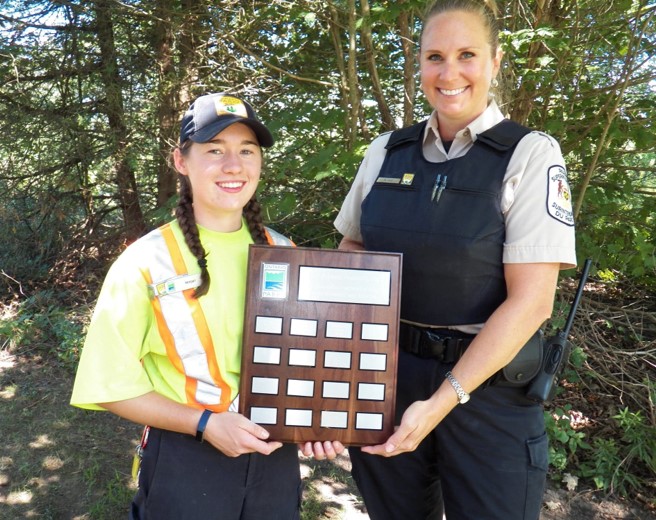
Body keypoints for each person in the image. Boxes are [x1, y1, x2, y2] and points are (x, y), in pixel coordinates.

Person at [334, 1, 577, 519]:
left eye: (467, 55)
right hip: (387, 382)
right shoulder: (385, 151)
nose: (449, 73)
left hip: (487, 394)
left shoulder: (530, 155)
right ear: (418, 64)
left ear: (494, 61)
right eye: (434, 56)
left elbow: (532, 303)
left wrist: (443, 400)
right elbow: (351, 252)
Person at [71, 92, 341, 519]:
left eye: (246, 151)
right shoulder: (147, 260)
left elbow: (308, 362)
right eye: (215, 150)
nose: (233, 165)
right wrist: (205, 423)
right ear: (182, 161)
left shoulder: (284, 251)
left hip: (274, 455)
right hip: (186, 458)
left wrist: (319, 423)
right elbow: (108, 388)